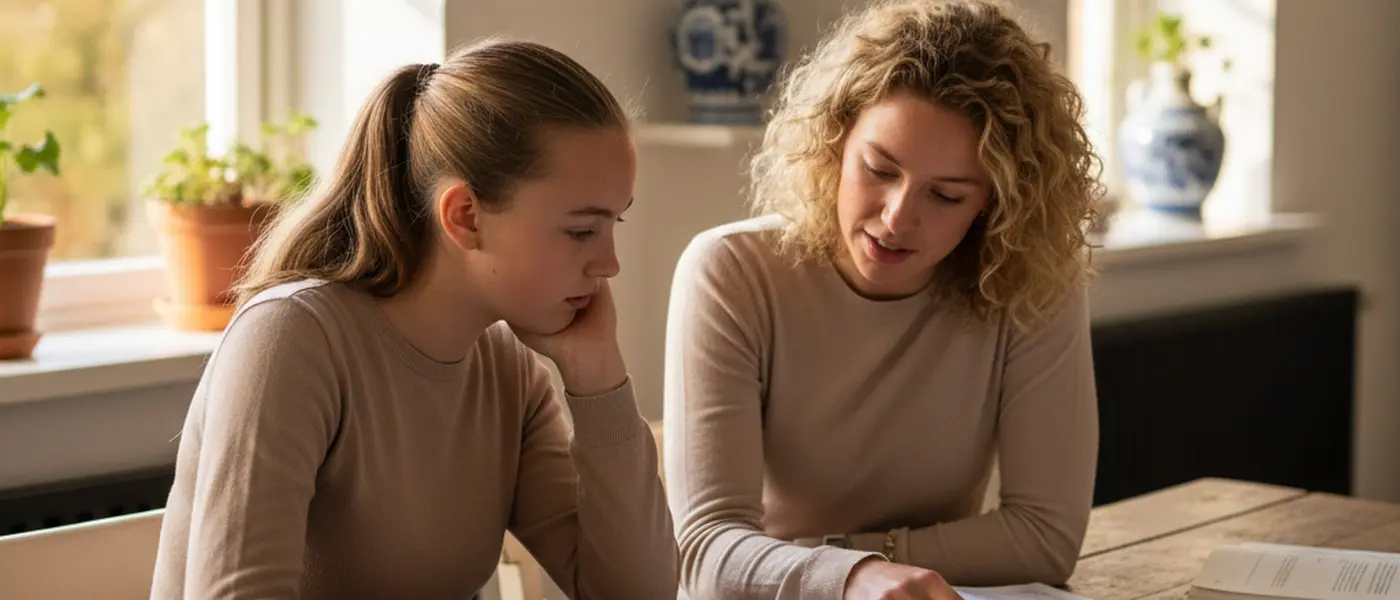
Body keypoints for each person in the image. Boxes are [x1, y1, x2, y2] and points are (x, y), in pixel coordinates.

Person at [149, 37, 679, 599]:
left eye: (613, 224)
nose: (610, 263)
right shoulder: (292, 339)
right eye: (580, 231)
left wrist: (598, 376)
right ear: (465, 216)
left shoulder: (507, 369)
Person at [663, 0, 1103, 598]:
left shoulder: (1030, 281)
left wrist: (852, 559)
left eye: (945, 196)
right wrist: (852, 577)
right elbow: (707, 549)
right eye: (879, 169)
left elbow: (1044, 539)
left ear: (993, 206)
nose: (897, 218)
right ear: (835, 143)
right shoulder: (733, 272)